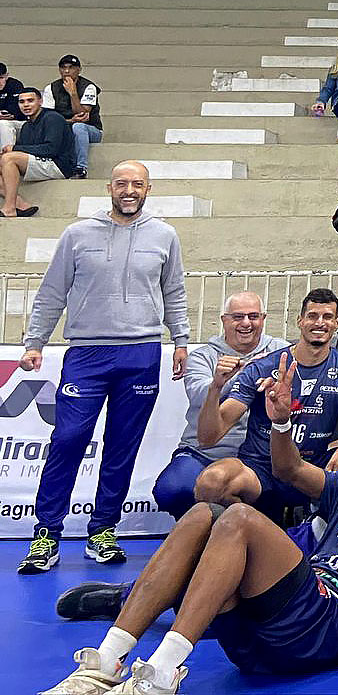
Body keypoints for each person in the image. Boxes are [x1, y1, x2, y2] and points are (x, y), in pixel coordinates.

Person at [42, 408, 338, 694]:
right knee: (203, 512)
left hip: (329, 627)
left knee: (239, 518)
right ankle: (104, 664)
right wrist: (280, 423)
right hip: (266, 629)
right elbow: (289, 469)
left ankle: (162, 673)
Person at [16, 162, 188, 573]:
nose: (129, 190)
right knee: (68, 440)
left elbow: (175, 290)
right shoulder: (77, 234)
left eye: (137, 184)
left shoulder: (165, 235)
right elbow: (52, 292)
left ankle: (103, 531)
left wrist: (181, 339)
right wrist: (35, 341)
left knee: (121, 448)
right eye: (122, 184)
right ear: (109, 188)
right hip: (87, 354)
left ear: (148, 189)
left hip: (142, 354)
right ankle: (47, 534)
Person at [192, 288, 338, 511]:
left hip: (312, 468)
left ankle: (325, 525)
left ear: (337, 323)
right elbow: (208, 438)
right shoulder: (263, 366)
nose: (320, 323)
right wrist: (215, 387)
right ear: (300, 321)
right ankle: (248, 520)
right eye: (312, 316)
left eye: (327, 317)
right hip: (260, 466)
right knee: (211, 483)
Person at [150, 293, 289, 520]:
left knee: (284, 490)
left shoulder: (281, 352)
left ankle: (249, 527)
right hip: (205, 452)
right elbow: (198, 396)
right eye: (238, 317)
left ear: (263, 319)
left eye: (253, 316)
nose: (246, 323)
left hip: (261, 456)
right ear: (224, 320)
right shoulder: (202, 356)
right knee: (172, 490)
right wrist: (243, 376)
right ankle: (205, 529)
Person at [0, 86, 74, 215]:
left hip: (58, 165)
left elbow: (51, 149)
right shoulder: (26, 126)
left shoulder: (53, 118)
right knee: (4, 159)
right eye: (22, 102)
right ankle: (21, 205)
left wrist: (14, 149)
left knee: (9, 158)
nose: (26, 105)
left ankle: (9, 208)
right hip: (40, 162)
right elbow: (25, 152)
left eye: (30, 100)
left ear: (40, 101)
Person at [41, 55, 103, 179]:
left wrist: (73, 93)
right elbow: (47, 118)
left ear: (79, 70)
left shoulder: (89, 87)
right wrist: (69, 121)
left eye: (71, 68)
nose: (67, 71)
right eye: (63, 68)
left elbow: (81, 114)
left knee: (78, 127)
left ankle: (81, 168)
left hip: (91, 130)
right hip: (65, 128)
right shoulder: (51, 88)